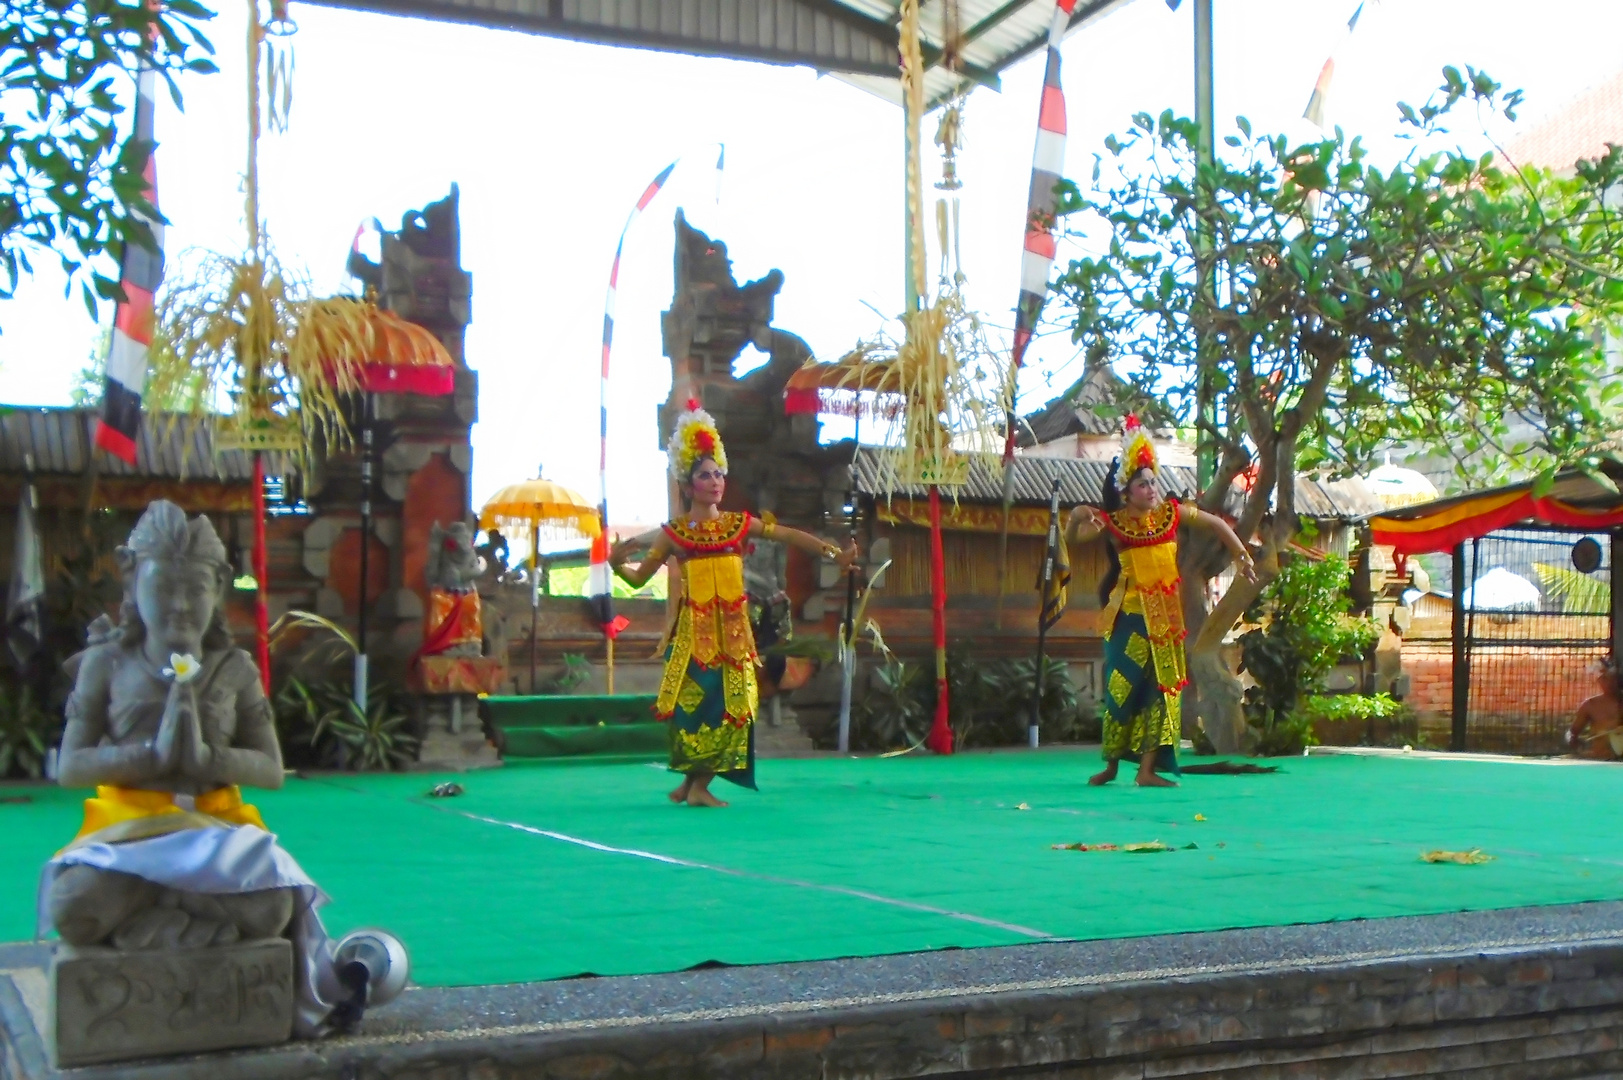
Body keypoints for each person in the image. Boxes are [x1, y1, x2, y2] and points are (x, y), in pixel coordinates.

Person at [610, 399, 857, 806]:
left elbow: (792, 536)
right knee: (694, 707)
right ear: (688, 485)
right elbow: (638, 580)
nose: (716, 481)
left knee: (738, 704)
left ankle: (692, 786)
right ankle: (696, 786)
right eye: (706, 476)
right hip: (693, 637)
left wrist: (834, 555)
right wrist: (620, 566)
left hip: (735, 637)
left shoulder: (738, 524)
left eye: (719, 473)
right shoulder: (673, 534)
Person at [1066, 417, 1257, 787]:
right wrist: (1075, 518)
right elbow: (1075, 539)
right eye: (1142, 484)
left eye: (1153, 481)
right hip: (1129, 619)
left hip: (1167, 620)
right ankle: (1111, 766)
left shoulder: (1171, 515)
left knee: (1164, 690)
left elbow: (1217, 525)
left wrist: (1241, 555)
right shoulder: (1115, 524)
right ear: (1127, 491)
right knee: (1122, 687)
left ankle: (1147, 770)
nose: (1151, 489)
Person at [1566, 658, 1622, 760]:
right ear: (1599, 681)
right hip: (1600, 759)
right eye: (1604, 678)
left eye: (1612, 678)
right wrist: (1573, 741)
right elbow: (1572, 732)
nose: (1609, 683)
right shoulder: (1590, 705)